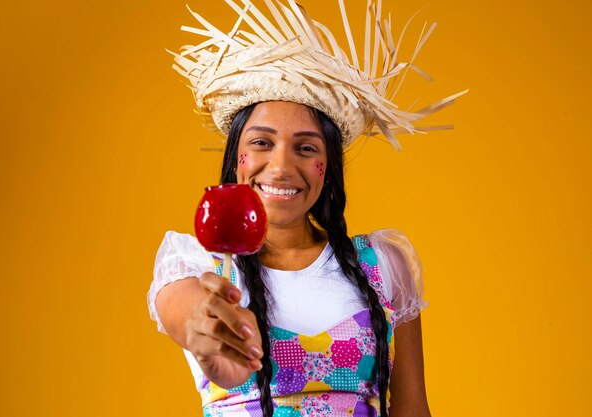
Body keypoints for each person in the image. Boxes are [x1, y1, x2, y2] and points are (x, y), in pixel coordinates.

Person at [148, 1, 464, 416]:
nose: (280, 168)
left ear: (327, 165)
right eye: (261, 143)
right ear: (235, 156)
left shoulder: (384, 265)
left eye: (305, 148)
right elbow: (189, 317)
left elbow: (413, 409)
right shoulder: (197, 266)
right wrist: (211, 337)